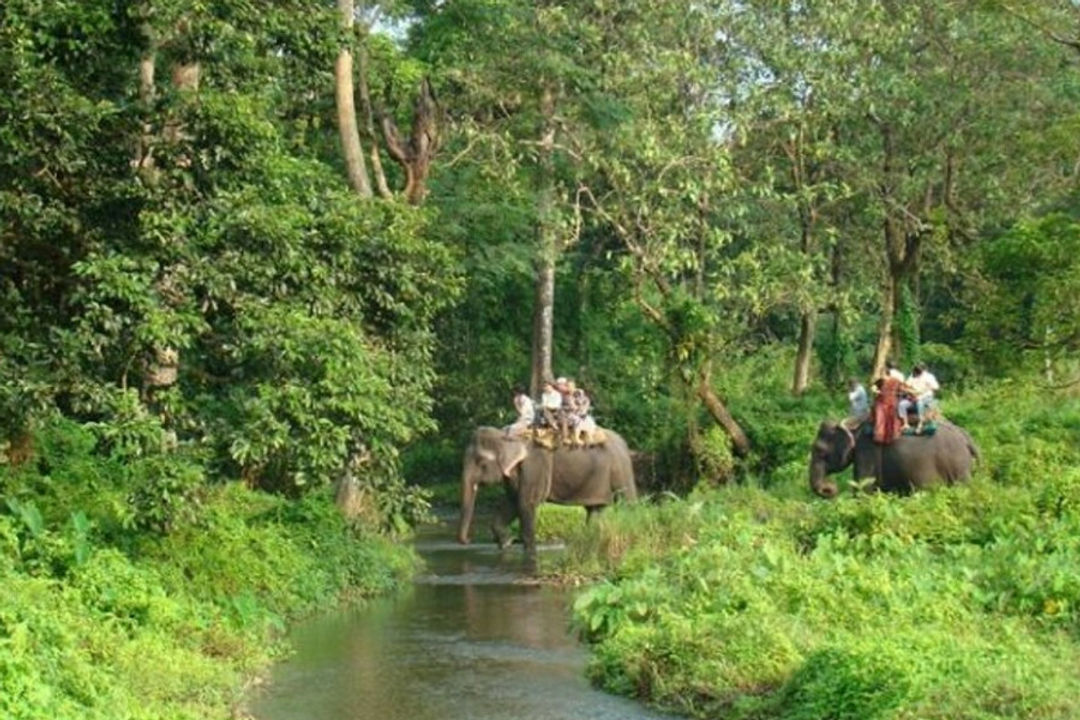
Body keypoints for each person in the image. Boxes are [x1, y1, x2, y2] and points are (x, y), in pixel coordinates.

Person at [900, 364, 940, 433]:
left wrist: (927, 388)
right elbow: (907, 385)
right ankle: (905, 423)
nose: (915, 375)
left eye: (917, 374)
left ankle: (920, 424)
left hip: (925, 396)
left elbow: (936, 387)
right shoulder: (912, 376)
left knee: (919, 402)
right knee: (902, 404)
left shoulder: (929, 377)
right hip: (913, 396)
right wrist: (909, 390)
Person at [872, 375, 903, 444]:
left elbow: (873, 389)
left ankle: (881, 436)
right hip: (888, 402)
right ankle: (888, 436)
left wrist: (878, 392)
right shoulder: (896, 380)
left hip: (885, 402)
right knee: (887, 418)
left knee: (882, 419)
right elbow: (901, 391)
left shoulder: (884, 379)